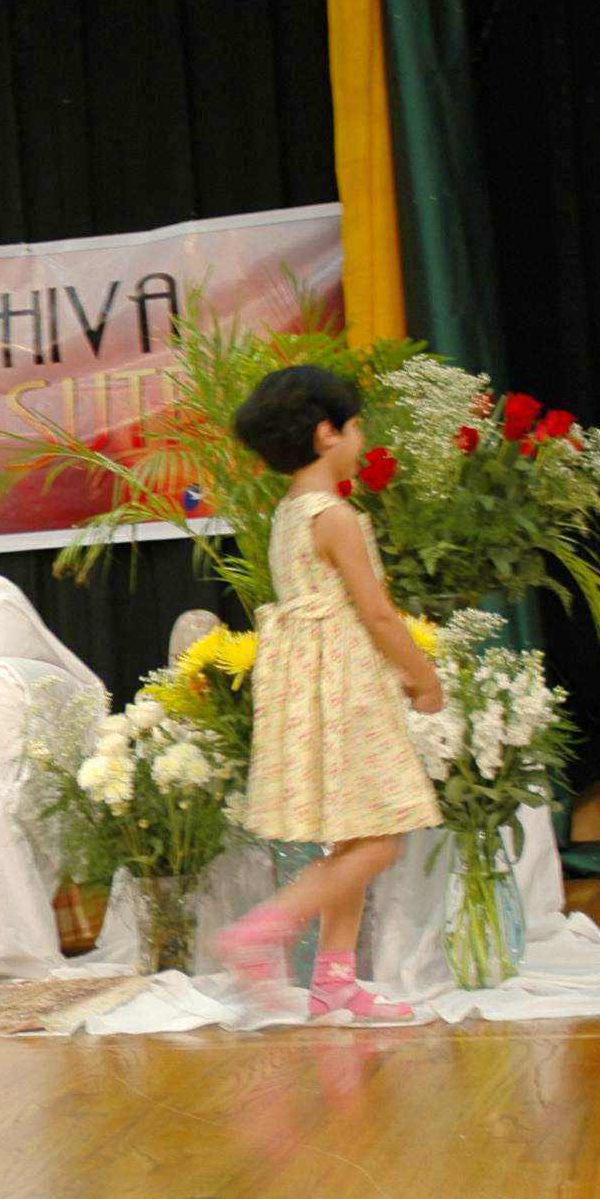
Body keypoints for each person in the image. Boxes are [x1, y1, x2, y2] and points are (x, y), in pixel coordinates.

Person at [207, 365, 445, 1023]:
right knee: (382, 840)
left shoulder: (289, 513)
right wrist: (423, 677)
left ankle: (334, 981)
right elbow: (377, 614)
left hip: (317, 686)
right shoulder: (335, 516)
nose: (363, 439)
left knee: (354, 838)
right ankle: (263, 931)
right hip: (347, 688)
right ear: (326, 434)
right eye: (356, 425)